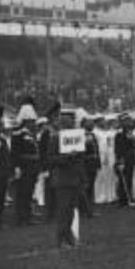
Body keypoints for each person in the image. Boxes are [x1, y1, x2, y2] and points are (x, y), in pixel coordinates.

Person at [45, 105, 87, 248]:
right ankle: (60, 239)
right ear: (64, 119)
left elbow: (81, 159)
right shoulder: (55, 137)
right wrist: (67, 157)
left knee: (70, 211)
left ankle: (67, 237)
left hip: (74, 179)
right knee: (63, 211)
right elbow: (50, 159)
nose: (73, 121)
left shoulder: (76, 137)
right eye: (71, 119)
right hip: (62, 179)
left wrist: (82, 177)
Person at [11, 102, 42, 225]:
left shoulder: (31, 134)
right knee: (22, 193)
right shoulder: (18, 134)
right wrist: (17, 166)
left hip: (32, 168)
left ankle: (27, 216)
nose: (33, 123)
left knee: (29, 193)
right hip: (24, 167)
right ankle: (21, 218)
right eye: (31, 121)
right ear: (25, 121)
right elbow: (15, 153)